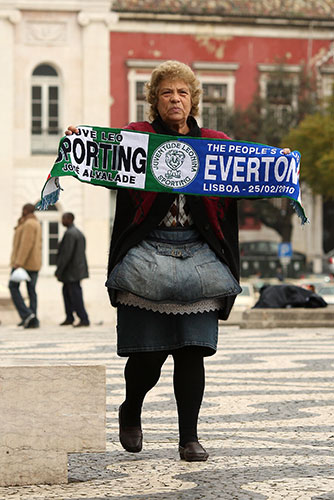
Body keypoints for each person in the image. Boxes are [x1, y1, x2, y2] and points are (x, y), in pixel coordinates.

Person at [66, 60, 291, 462]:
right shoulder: (137, 138)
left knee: (192, 349)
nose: (175, 99)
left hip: (201, 258)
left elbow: (248, 177)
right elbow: (101, 162)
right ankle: (131, 408)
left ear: (193, 100)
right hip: (146, 255)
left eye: (183, 93)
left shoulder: (215, 143)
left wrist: (279, 166)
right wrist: (78, 143)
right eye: (167, 92)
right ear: (154, 100)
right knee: (148, 356)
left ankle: (189, 436)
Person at [9, 203, 42, 329]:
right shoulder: (34, 222)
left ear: (26, 210)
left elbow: (26, 244)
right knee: (31, 291)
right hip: (34, 263)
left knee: (12, 287)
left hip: (24, 263)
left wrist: (19, 262)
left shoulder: (29, 224)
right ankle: (32, 319)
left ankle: (27, 314)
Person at [55, 212, 90, 327]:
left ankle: (84, 319)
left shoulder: (71, 234)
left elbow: (66, 254)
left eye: (64, 218)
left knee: (75, 295)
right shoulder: (77, 233)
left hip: (72, 271)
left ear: (70, 219)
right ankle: (69, 317)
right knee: (67, 293)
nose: (62, 220)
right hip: (74, 270)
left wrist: (59, 270)